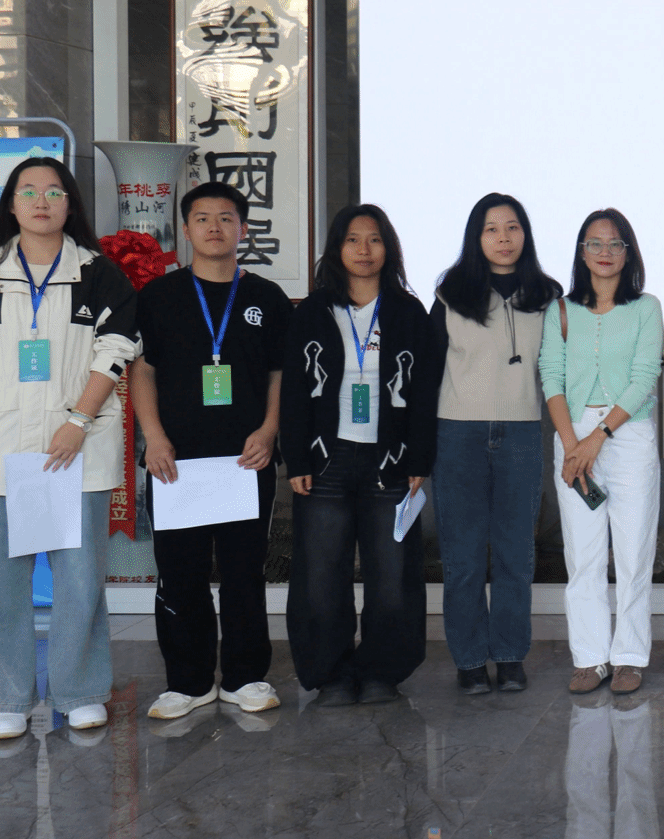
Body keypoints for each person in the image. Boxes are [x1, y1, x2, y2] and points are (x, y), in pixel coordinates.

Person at [0, 156, 138, 739]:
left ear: (70, 203)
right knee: (2, 580)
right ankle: (6, 697)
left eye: (53, 191)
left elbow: (117, 349)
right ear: (11, 204)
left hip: (76, 446)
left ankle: (79, 691)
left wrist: (78, 419)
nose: (41, 201)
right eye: (28, 191)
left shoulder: (98, 274)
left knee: (79, 578)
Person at [133, 180, 293, 720]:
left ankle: (246, 677)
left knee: (244, 572)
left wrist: (269, 430)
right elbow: (142, 370)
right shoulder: (159, 297)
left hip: (245, 460)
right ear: (186, 229)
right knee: (180, 572)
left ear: (243, 229)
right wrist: (154, 437)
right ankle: (188, 681)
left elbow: (279, 373)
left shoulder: (266, 297)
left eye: (226, 218)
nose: (214, 228)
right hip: (175, 460)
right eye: (202, 219)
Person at [281, 204, 440, 705]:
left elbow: (425, 393)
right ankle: (330, 674)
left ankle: (380, 672)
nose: (364, 250)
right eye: (353, 240)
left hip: (390, 462)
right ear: (337, 248)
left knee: (393, 576)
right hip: (325, 461)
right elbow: (294, 391)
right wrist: (296, 459)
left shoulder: (408, 312)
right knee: (320, 575)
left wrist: (420, 460)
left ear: (388, 248)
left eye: (374, 239)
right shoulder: (312, 311)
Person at [429, 193, 559, 696]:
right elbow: (428, 371)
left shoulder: (547, 295)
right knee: (462, 558)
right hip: (457, 433)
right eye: (491, 229)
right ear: (476, 237)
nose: (503, 238)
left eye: (512, 227)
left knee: (515, 554)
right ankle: (468, 660)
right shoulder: (450, 293)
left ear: (525, 234)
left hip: (522, 433)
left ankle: (508, 656)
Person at [543, 208, 663, 695]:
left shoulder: (646, 308)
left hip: (627, 435)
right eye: (595, 243)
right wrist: (572, 444)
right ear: (582, 252)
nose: (605, 252)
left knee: (633, 552)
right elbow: (551, 377)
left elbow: (645, 376)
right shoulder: (560, 310)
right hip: (571, 436)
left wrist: (597, 438)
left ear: (628, 252)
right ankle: (590, 659)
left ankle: (629, 657)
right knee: (584, 554)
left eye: (615, 244)